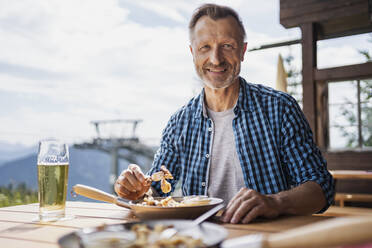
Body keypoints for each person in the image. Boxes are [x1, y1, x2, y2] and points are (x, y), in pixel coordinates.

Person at [115, 3, 334, 224]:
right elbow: (155, 194)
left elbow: (321, 188)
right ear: (193, 53)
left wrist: (275, 202)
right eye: (205, 47)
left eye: (227, 46)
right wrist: (135, 191)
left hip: (267, 239)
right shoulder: (178, 123)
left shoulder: (280, 108)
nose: (216, 59)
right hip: (201, 240)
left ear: (243, 51)